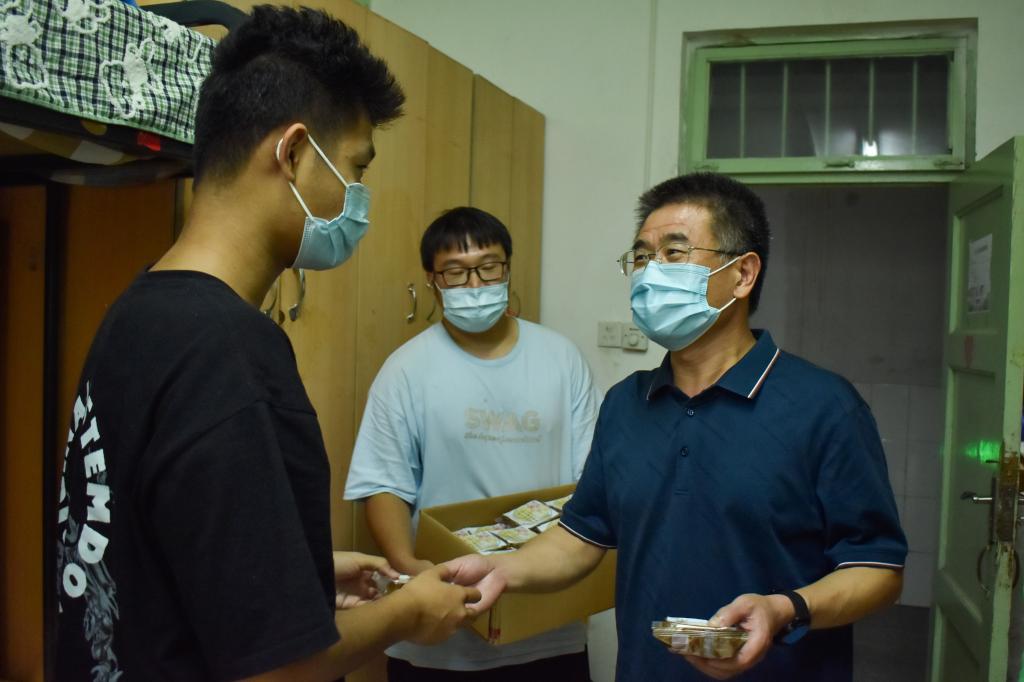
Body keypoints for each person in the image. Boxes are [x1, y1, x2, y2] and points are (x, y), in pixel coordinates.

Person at [55, 7, 480, 681]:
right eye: (355, 167)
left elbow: (150, 549)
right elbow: (277, 672)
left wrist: (300, 573)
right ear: (293, 153)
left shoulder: (137, 313)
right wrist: (407, 613)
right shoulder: (231, 352)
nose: (359, 197)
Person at [444, 173, 907, 681]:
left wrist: (785, 609)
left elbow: (878, 570)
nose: (651, 272)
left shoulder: (824, 406)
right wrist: (503, 569)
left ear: (743, 273)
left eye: (675, 252)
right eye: (643, 257)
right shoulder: (625, 404)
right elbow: (580, 538)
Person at [344, 207, 601, 680]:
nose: (476, 284)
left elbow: (594, 479)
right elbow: (383, 485)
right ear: (432, 280)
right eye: (456, 272)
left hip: (546, 620)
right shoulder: (406, 370)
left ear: (508, 268)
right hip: (439, 629)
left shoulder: (561, 358)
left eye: (488, 266)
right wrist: (413, 568)